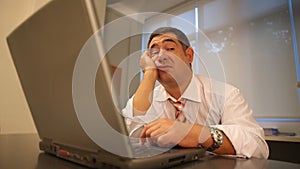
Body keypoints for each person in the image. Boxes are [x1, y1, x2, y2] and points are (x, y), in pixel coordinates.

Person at [121, 27, 269, 158]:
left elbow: (258, 147)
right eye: (154, 52)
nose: (161, 56)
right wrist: (149, 74)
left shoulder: (226, 94)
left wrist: (198, 134)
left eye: (170, 48)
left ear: (189, 55)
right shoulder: (148, 97)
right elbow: (126, 133)